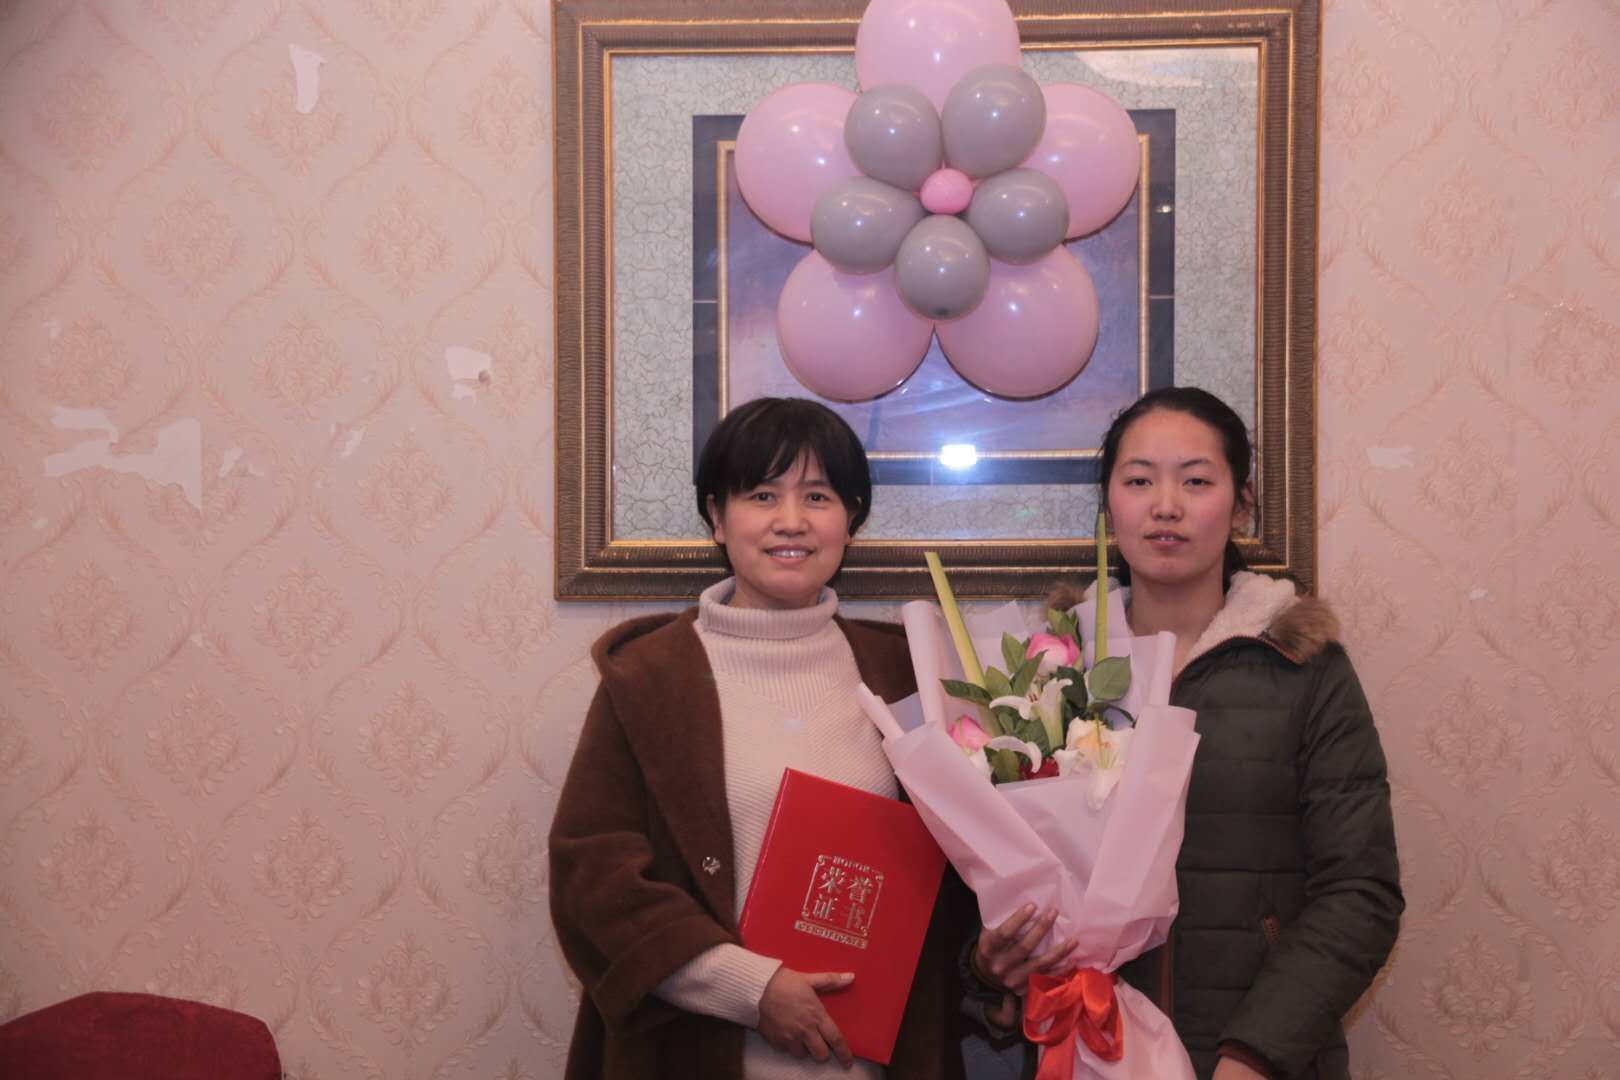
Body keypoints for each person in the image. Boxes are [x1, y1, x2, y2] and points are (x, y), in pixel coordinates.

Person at [966, 387, 1403, 1079]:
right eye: (1139, 481)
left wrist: (1254, 1055)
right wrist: (989, 965)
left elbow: (1361, 892)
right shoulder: (1048, 672)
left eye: (1196, 481)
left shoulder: (1304, 668)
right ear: (1109, 504)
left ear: (1241, 504)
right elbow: (985, 875)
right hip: (1086, 1050)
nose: (1165, 505)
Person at [549, 397, 966, 1080]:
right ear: (717, 516)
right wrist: (752, 988)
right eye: (762, 495)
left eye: (818, 496)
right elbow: (592, 877)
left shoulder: (908, 672)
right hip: (690, 1058)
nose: (791, 520)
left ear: (852, 518)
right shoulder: (649, 678)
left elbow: (955, 880)